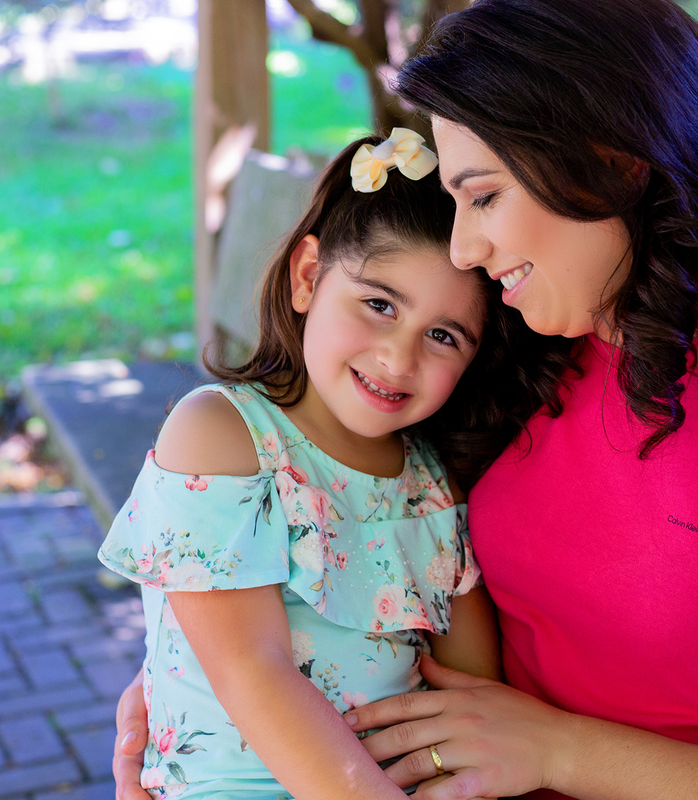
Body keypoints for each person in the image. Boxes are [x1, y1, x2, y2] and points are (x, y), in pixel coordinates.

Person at [114, 1, 698, 798]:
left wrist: (557, 750)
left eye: (484, 195)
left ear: (612, 164)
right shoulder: (525, 344)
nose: (467, 248)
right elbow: (345, 527)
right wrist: (197, 694)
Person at [98, 129, 534, 799]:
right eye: (380, 305)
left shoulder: (431, 488)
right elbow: (253, 668)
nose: (397, 357)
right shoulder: (221, 436)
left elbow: (470, 690)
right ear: (308, 277)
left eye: (443, 336)